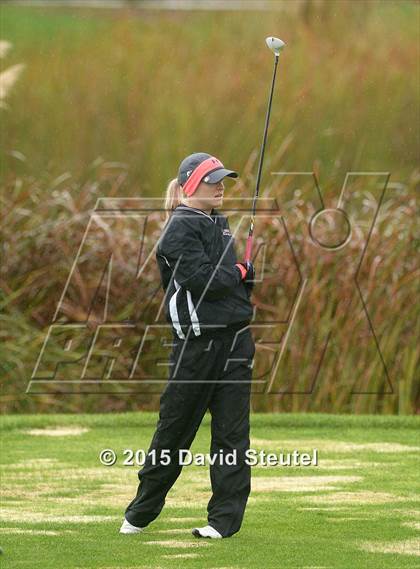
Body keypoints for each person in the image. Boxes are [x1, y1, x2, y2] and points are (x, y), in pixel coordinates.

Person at [120, 152, 256, 539]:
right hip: (197, 348)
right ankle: (140, 513)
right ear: (188, 186)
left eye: (222, 179)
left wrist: (245, 275)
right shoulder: (179, 228)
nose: (221, 186)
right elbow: (203, 281)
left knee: (233, 436)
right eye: (213, 180)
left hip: (234, 342)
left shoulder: (220, 223)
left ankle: (223, 522)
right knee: (175, 432)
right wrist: (239, 273)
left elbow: (232, 284)